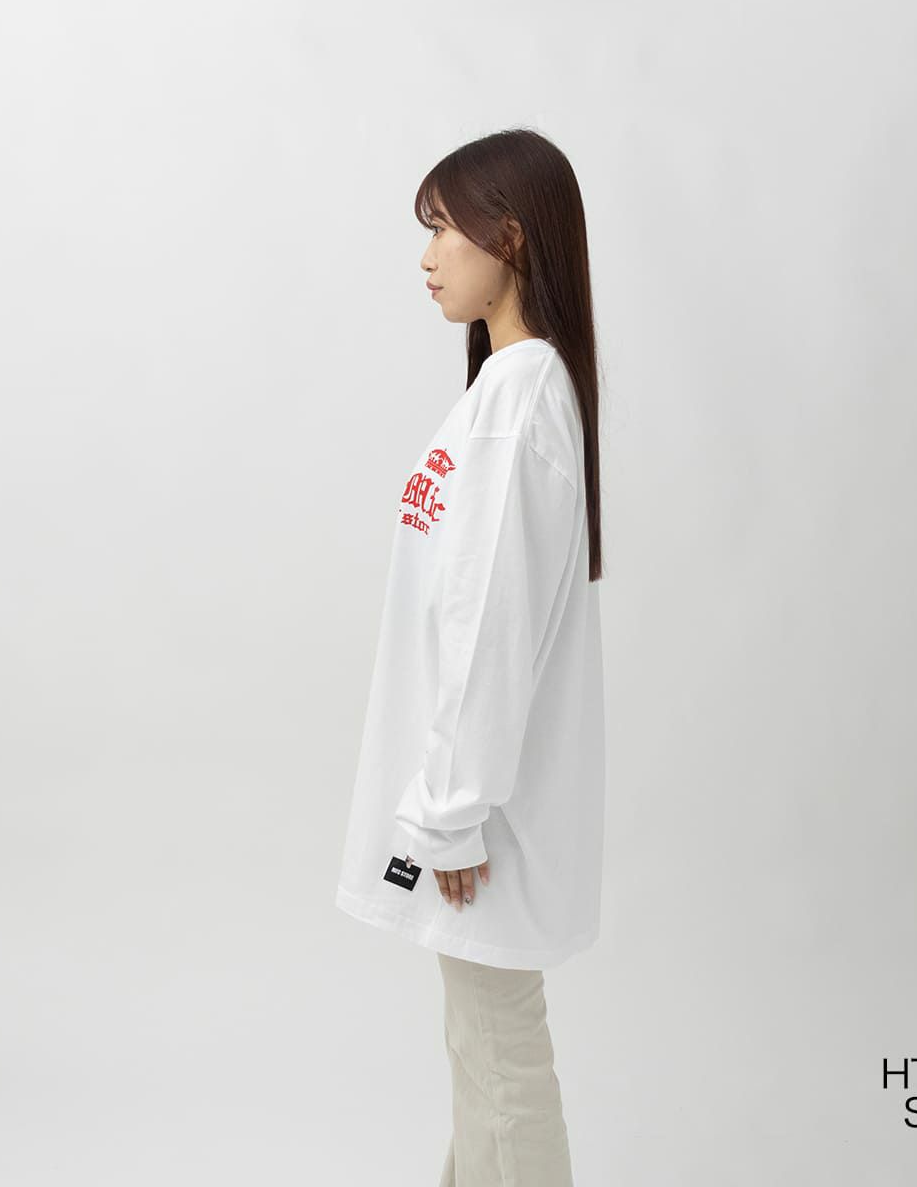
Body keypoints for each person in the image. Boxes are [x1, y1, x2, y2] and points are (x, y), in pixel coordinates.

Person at [335, 128, 606, 1187]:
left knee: (500, 1064)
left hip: (480, 822)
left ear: (511, 235)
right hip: (478, 807)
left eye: (443, 228)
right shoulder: (510, 393)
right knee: (484, 1054)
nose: (427, 255)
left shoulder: (517, 402)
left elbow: (488, 621)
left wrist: (450, 812)